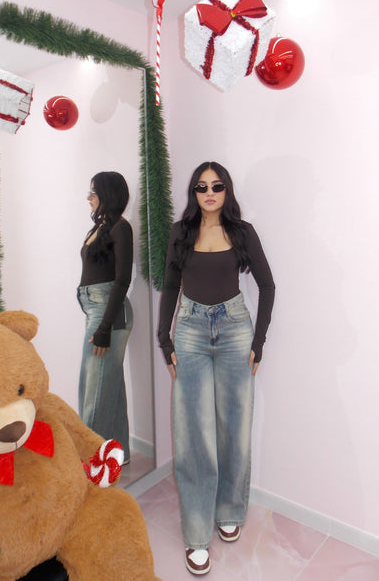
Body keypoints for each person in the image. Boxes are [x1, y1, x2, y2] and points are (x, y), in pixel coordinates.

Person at [158, 161, 275, 575]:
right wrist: (164, 339)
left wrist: (258, 342)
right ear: (194, 192)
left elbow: (267, 285)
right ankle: (196, 533)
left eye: (217, 186)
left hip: (234, 330)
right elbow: (170, 285)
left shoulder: (242, 232)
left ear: (227, 191)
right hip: (189, 331)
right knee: (193, 433)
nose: (210, 193)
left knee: (234, 427)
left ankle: (229, 509)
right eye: (202, 186)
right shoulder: (181, 232)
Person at [77, 171, 133, 463]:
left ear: (107, 195)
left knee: (95, 393)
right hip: (96, 312)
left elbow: (122, 280)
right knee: (110, 388)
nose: (89, 198)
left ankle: (90, 463)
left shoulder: (121, 229)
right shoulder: (100, 227)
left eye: (93, 192)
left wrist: (104, 328)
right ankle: (117, 456)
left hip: (109, 315)